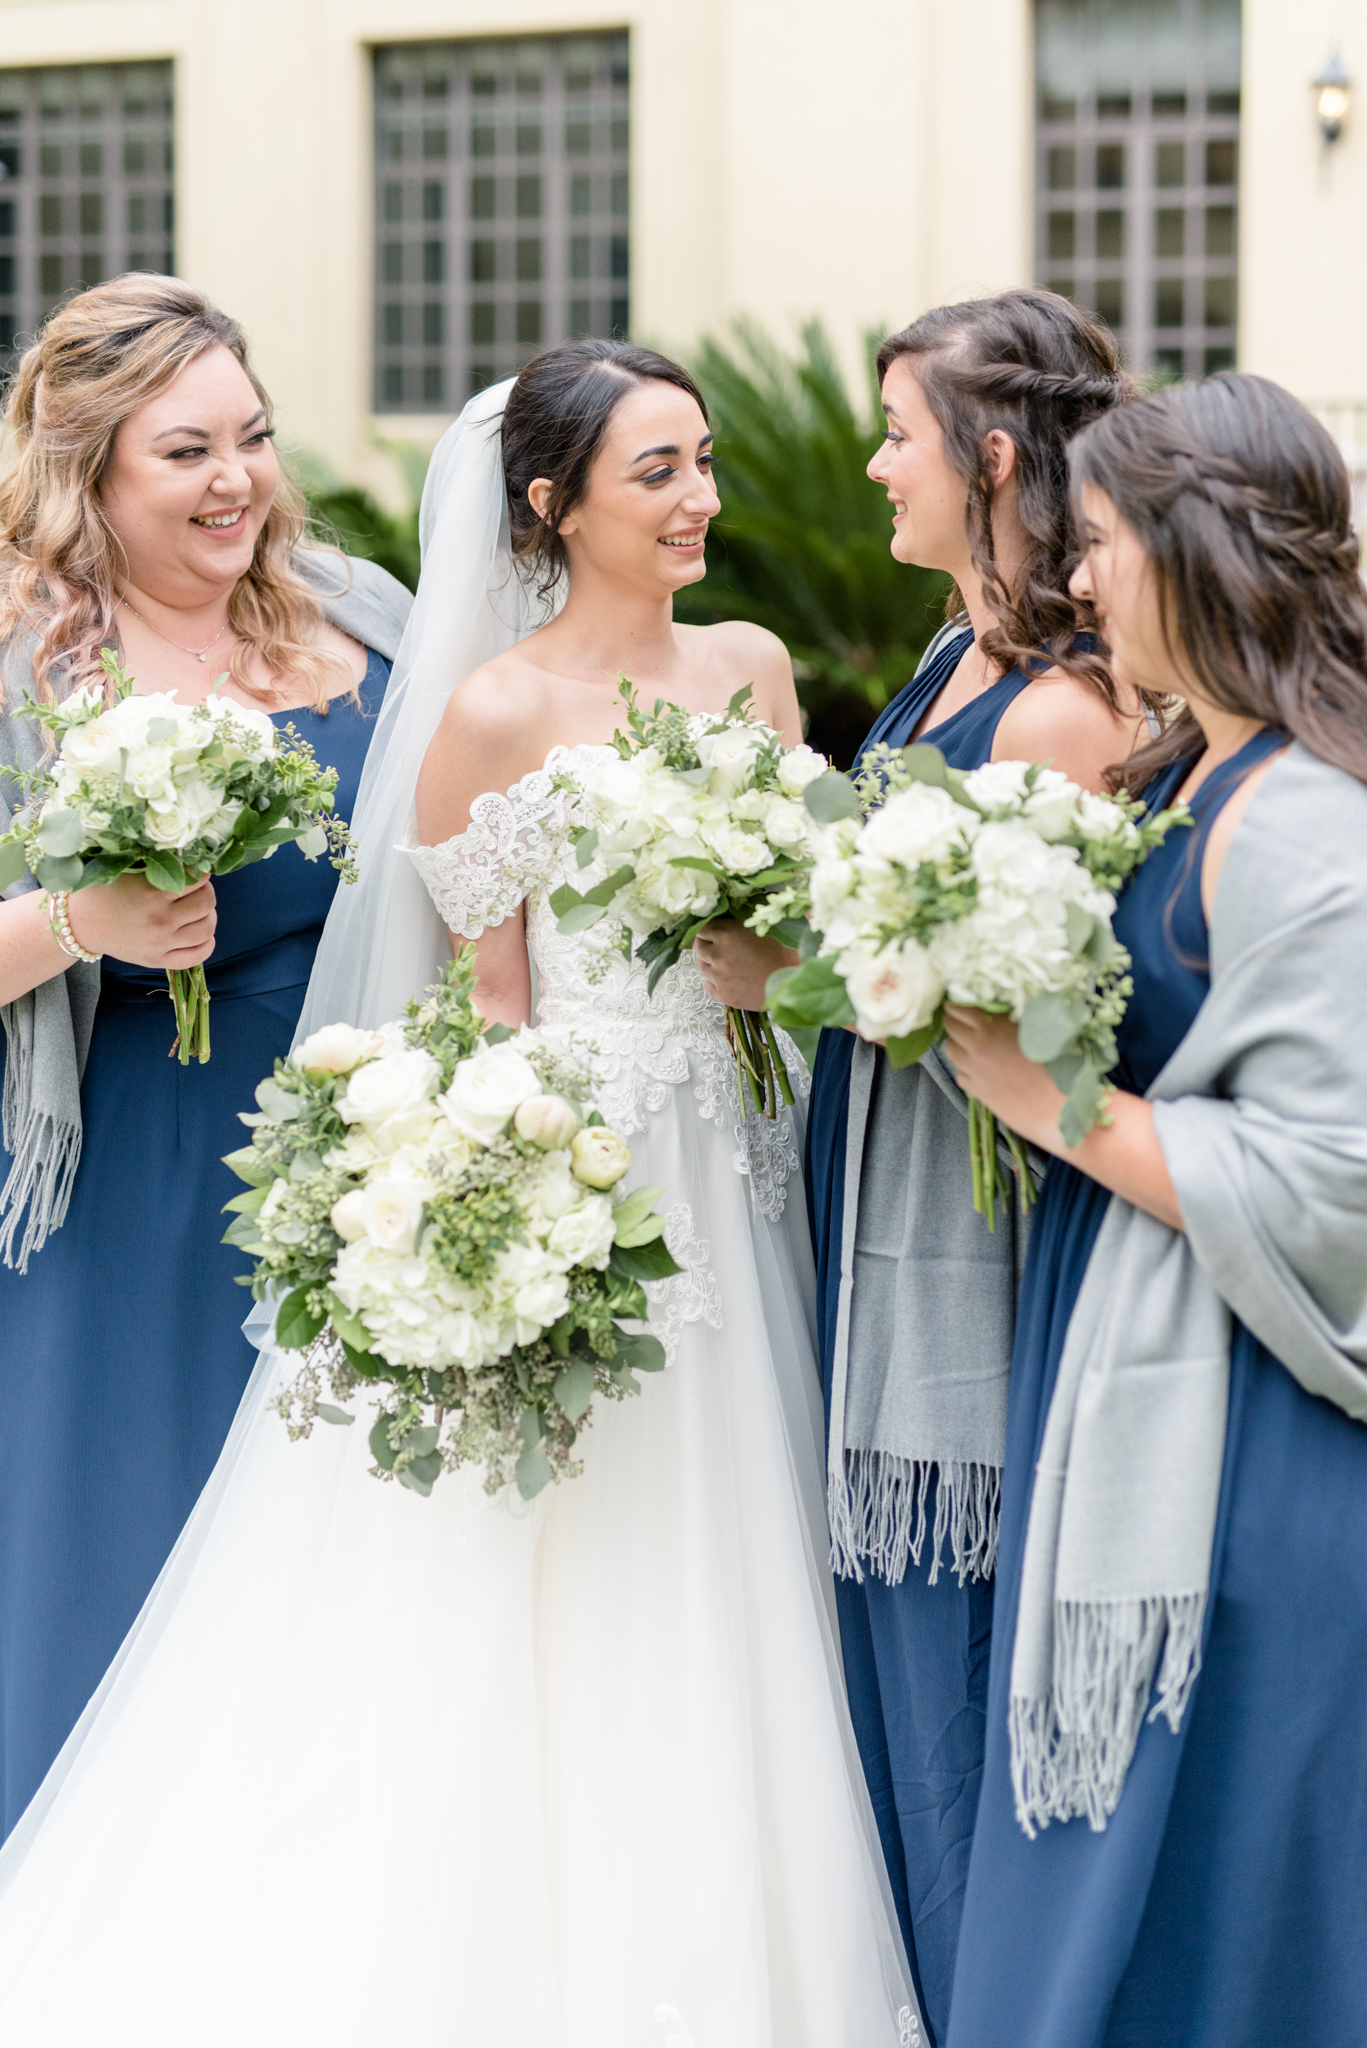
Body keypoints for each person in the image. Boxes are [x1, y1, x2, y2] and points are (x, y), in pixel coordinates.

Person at [0, 344, 916, 2048]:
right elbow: (480, 1000)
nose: (705, 498)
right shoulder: (487, 708)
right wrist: (494, 1185)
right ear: (549, 507)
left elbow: (812, 923)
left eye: (706, 460)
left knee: (735, 1545)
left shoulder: (749, 667)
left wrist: (773, 965)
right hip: (577, 1168)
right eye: (661, 469)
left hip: (735, 1167)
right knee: (544, 1558)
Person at [699, 287, 1145, 2041]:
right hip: (864, 1180)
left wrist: (791, 974)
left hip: (972, 1239)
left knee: (944, 1647)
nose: (877, 463)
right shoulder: (951, 660)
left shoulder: (1060, 709)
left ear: (996, 457)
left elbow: (1049, 1010)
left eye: (900, 433)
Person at [943, 373, 1367, 2048]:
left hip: (1255, 1443)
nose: (1080, 580)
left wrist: (1050, 1100)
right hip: (1130, 1359)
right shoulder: (1196, 775)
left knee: (1219, 1906)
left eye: (1103, 542)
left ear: (1191, 557)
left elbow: (1340, 1179)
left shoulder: (1309, 828)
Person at [0, 274, 411, 1841]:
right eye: (184, 451)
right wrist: (78, 916)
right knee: (128, 1559)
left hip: (374, 1178)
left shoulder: (364, 609)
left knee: (346, 1584)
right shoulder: (21, 664)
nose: (235, 479)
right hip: (136, 1190)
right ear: (88, 466)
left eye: (251, 437)